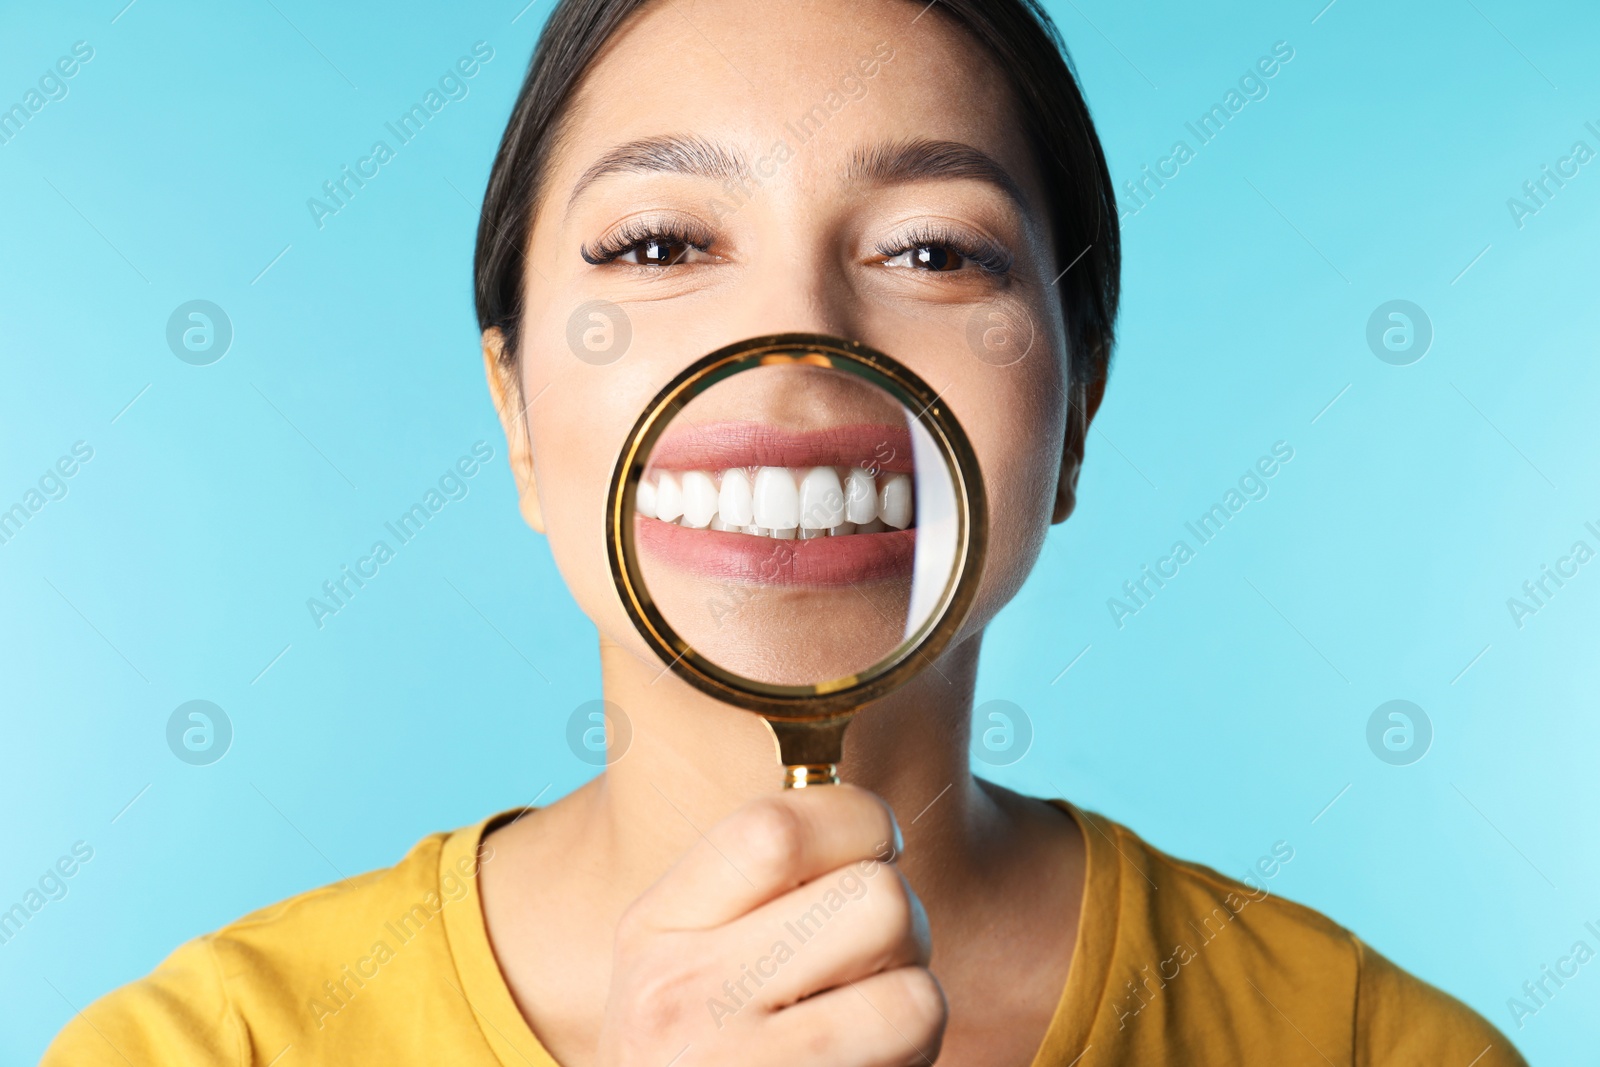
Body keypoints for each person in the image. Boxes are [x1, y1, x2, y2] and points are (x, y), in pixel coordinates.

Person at [45, 0, 1526, 1063]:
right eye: (662, 244)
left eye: (935, 250)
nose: (797, 344)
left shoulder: (1362, 1045)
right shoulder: (202, 1049)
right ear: (513, 406)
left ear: (1077, 410)